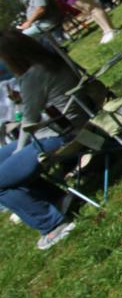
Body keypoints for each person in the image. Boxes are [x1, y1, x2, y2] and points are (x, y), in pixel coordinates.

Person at [0, 31, 89, 250]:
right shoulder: (55, 59)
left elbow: (29, 124)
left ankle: (53, 224)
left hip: (60, 136)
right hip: (85, 124)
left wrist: (17, 153)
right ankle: (57, 200)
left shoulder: (32, 77)